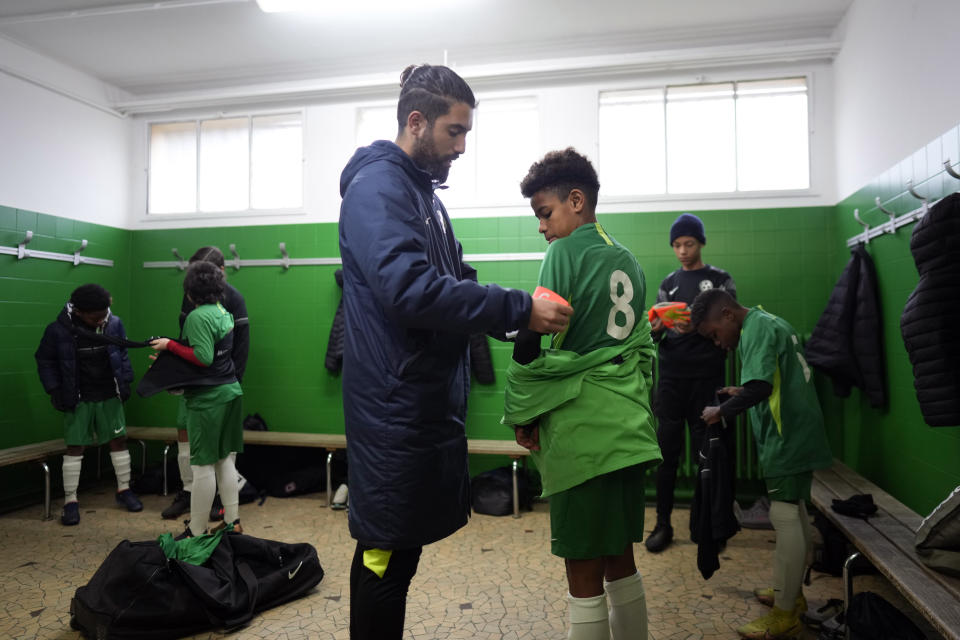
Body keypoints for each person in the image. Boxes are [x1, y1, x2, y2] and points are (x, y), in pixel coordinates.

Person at [338, 63, 571, 640]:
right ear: (416, 123)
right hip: (393, 412)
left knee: (399, 553)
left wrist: (518, 321)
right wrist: (515, 308)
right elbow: (408, 291)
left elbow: (452, 276)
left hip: (418, 405)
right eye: (454, 132)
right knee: (384, 557)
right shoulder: (379, 189)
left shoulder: (422, 196)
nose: (462, 147)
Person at [504, 148, 662, 640]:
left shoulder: (563, 253)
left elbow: (532, 341)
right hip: (630, 427)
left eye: (545, 213)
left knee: (582, 573)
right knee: (619, 556)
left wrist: (525, 413)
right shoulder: (629, 259)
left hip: (582, 431)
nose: (542, 228)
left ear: (576, 200)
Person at [691, 289, 832, 639]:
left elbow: (760, 386)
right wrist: (741, 392)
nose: (719, 344)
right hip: (798, 428)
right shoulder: (768, 320)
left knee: (784, 518)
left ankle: (786, 612)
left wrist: (720, 411)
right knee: (794, 512)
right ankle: (790, 595)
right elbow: (775, 380)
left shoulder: (755, 329)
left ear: (726, 314)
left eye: (714, 334)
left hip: (787, 435)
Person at [645, 213, 737, 553]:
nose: (683, 251)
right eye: (677, 245)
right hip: (671, 379)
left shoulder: (720, 279)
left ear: (700, 243)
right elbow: (655, 333)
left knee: (709, 455)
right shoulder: (668, 283)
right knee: (665, 456)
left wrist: (695, 327)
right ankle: (663, 524)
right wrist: (657, 327)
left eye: (689, 244)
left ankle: (710, 526)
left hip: (706, 379)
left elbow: (730, 326)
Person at [35, 284, 143, 525]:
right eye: (95, 317)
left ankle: (124, 490)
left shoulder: (114, 323)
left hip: (109, 393)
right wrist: (54, 390)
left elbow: (122, 354)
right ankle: (70, 501)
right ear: (79, 312)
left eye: (105, 314)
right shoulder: (58, 331)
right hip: (79, 396)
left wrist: (125, 380)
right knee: (75, 446)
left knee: (118, 440)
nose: (101, 320)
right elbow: (44, 360)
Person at [150, 261, 244, 537]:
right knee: (225, 460)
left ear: (190, 292)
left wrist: (170, 345)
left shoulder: (197, 316)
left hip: (208, 400)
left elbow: (202, 357)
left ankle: (197, 531)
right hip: (230, 392)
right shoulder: (222, 312)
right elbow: (213, 356)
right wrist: (174, 356)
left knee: (202, 466)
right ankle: (232, 522)